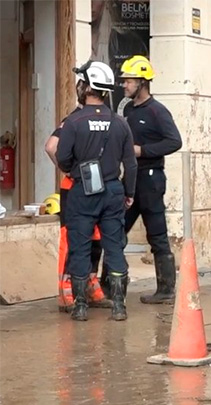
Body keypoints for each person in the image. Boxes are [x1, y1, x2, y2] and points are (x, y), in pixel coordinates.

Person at [56, 60, 137, 321]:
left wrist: (73, 170)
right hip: (113, 190)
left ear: (88, 86)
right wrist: (129, 192)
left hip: (83, 190)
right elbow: (130, 164)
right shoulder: (120, 123)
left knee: (79, 247)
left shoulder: (74, 122)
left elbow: (63, 157)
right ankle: (120, 306)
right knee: (114, 247)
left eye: (81, 83)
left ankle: (80, 307)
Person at [117, 55, 183, 304]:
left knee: (156, 234)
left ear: (142, 82)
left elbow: (174, 141)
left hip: (151, 179)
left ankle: (166, 289)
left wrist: (142, 150)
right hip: (130, 178)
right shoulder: (128, 109)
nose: (124, 85)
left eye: (129, 81)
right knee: (116, 231)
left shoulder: (157, 111)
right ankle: (110, 286)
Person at [45, 106, 109, 312]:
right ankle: (67, 292)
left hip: (87, 184)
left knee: (94, 238)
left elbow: (51, 147)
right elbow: (51, 146)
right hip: (82, 185)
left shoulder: (78, 119)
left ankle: (89, 286)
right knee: (74, 238)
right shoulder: (75, 120)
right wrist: (69, 170)